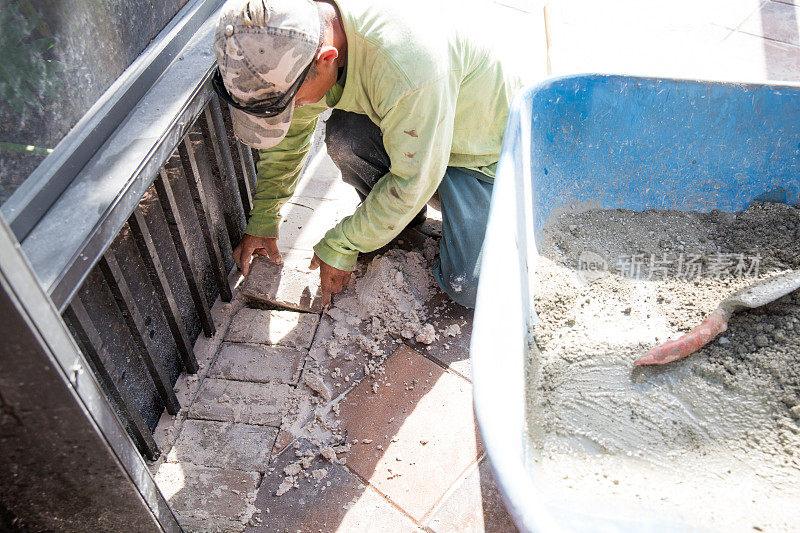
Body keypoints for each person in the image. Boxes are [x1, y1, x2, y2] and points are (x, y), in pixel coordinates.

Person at [213, 0, 525, 308]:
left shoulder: (406, 66)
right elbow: (291, 133)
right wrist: (264, 215)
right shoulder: (299, 30)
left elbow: (412, 183)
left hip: (483, 156)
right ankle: (398, 222)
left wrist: (342, 242)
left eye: (293, 103)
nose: (293, 112)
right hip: (424, 129)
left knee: (471, 286)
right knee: (346, 135)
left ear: (327, 59)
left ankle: (448, 215)